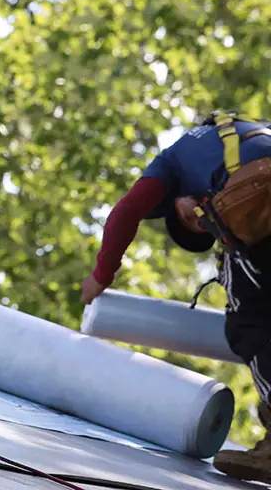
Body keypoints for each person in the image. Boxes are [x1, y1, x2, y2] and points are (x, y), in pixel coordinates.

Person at [82, 111, 271, 481]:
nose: (205, 222)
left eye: (202, 224)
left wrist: (100, 276)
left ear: (176, 206)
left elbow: (125, 213)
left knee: (249, 322)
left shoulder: (171, 161)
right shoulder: (242, 131)